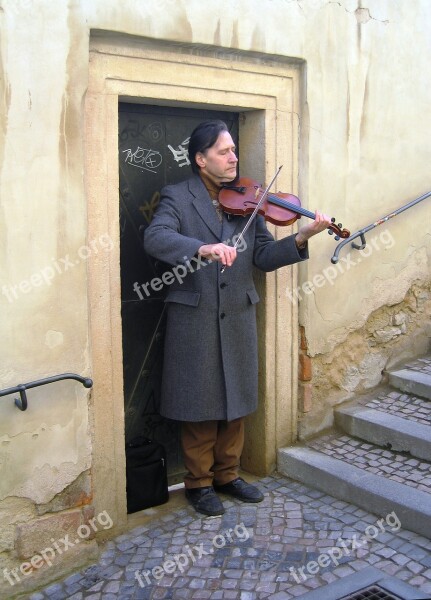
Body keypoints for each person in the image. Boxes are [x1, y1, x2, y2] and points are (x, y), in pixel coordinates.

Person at [144, 120, 331, 516]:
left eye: (234, 150)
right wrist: (202, 248)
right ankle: (198, 483)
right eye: (224, 151)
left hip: (239, 313)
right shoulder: (179, 197)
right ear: (200, 159)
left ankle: (228, 474)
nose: (233, 158)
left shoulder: (248, 200)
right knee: (198, 403)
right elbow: (156, 237)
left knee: (237, 398)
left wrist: (303, 236)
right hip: (195, 314)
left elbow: (263, 256)